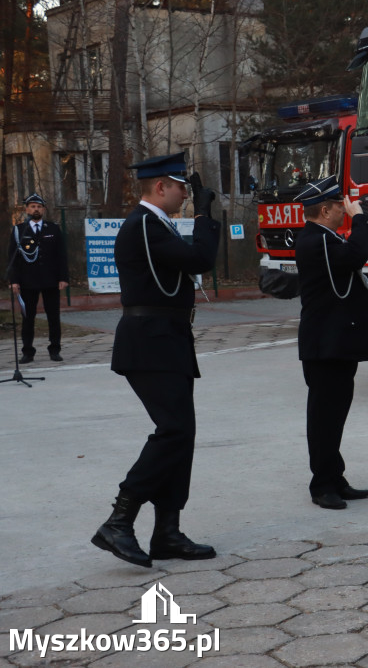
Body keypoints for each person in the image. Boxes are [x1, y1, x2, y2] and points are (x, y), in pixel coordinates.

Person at [91, 153, 221, 568]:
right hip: (150, 341)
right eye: (181, 186)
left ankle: (167, 531)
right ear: (160, 187)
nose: (187, 192)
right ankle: (119, 519)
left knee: (183, 435)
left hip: (168, 339)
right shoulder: (144, 224)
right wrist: (204, 217)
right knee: (174, 430)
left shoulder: (155, 224)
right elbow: (200, 260)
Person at [295, 175, 368, 510]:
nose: (344, 211)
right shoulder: (316, 240)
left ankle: (334, 475)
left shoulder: (323, 237)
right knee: (324, 416)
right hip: (324, 345)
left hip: (335, 342)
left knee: (335, 413)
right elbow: (356, 254)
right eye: (339, 206)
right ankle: (322, 484)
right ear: (326, 209)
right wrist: (362, 218)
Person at [6, 193, 69, 363]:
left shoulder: (53, 228)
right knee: (28, 318)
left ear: (43, 209)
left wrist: (63, 278)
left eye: (39, 206)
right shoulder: (19, 230)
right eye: (32, 206)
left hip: (50, 280)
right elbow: (13, 257)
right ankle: (28, 352)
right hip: (28, 281)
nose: (36, 209)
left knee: (53, 317)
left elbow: (61, 255)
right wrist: (14, 281)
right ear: (27, 209)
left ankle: (55, 349)